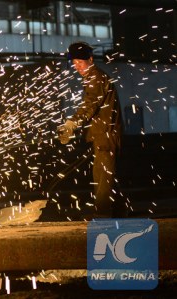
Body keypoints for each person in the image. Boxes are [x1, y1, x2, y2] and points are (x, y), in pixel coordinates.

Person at [58, 41, 123, 218]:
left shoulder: (96, 78)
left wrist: (71, 123)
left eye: (80, 62)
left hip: (106, 137)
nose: (76, 66)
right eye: (74, 63)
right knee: (107, 178)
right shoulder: (95, 77)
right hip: (104, 136)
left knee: (103, 179)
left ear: (90, 59)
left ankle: (103, 217)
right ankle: (118, 216)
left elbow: (90, 105)